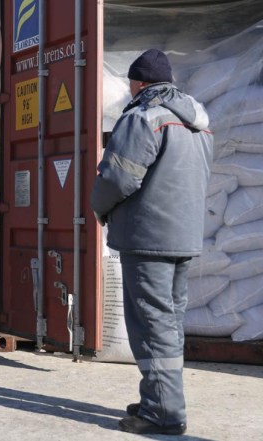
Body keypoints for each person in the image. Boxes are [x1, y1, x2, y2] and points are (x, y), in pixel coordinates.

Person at [91, 49, 213, 435]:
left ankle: (163, 412)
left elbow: (117, 178)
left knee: (150, 325)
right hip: (183, 236)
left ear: (139, 83)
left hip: (148, 237)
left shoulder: (143, 117)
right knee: (168, 323)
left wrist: (98, 207)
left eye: (131, 83)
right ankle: (159, 398)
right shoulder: (198, 121)